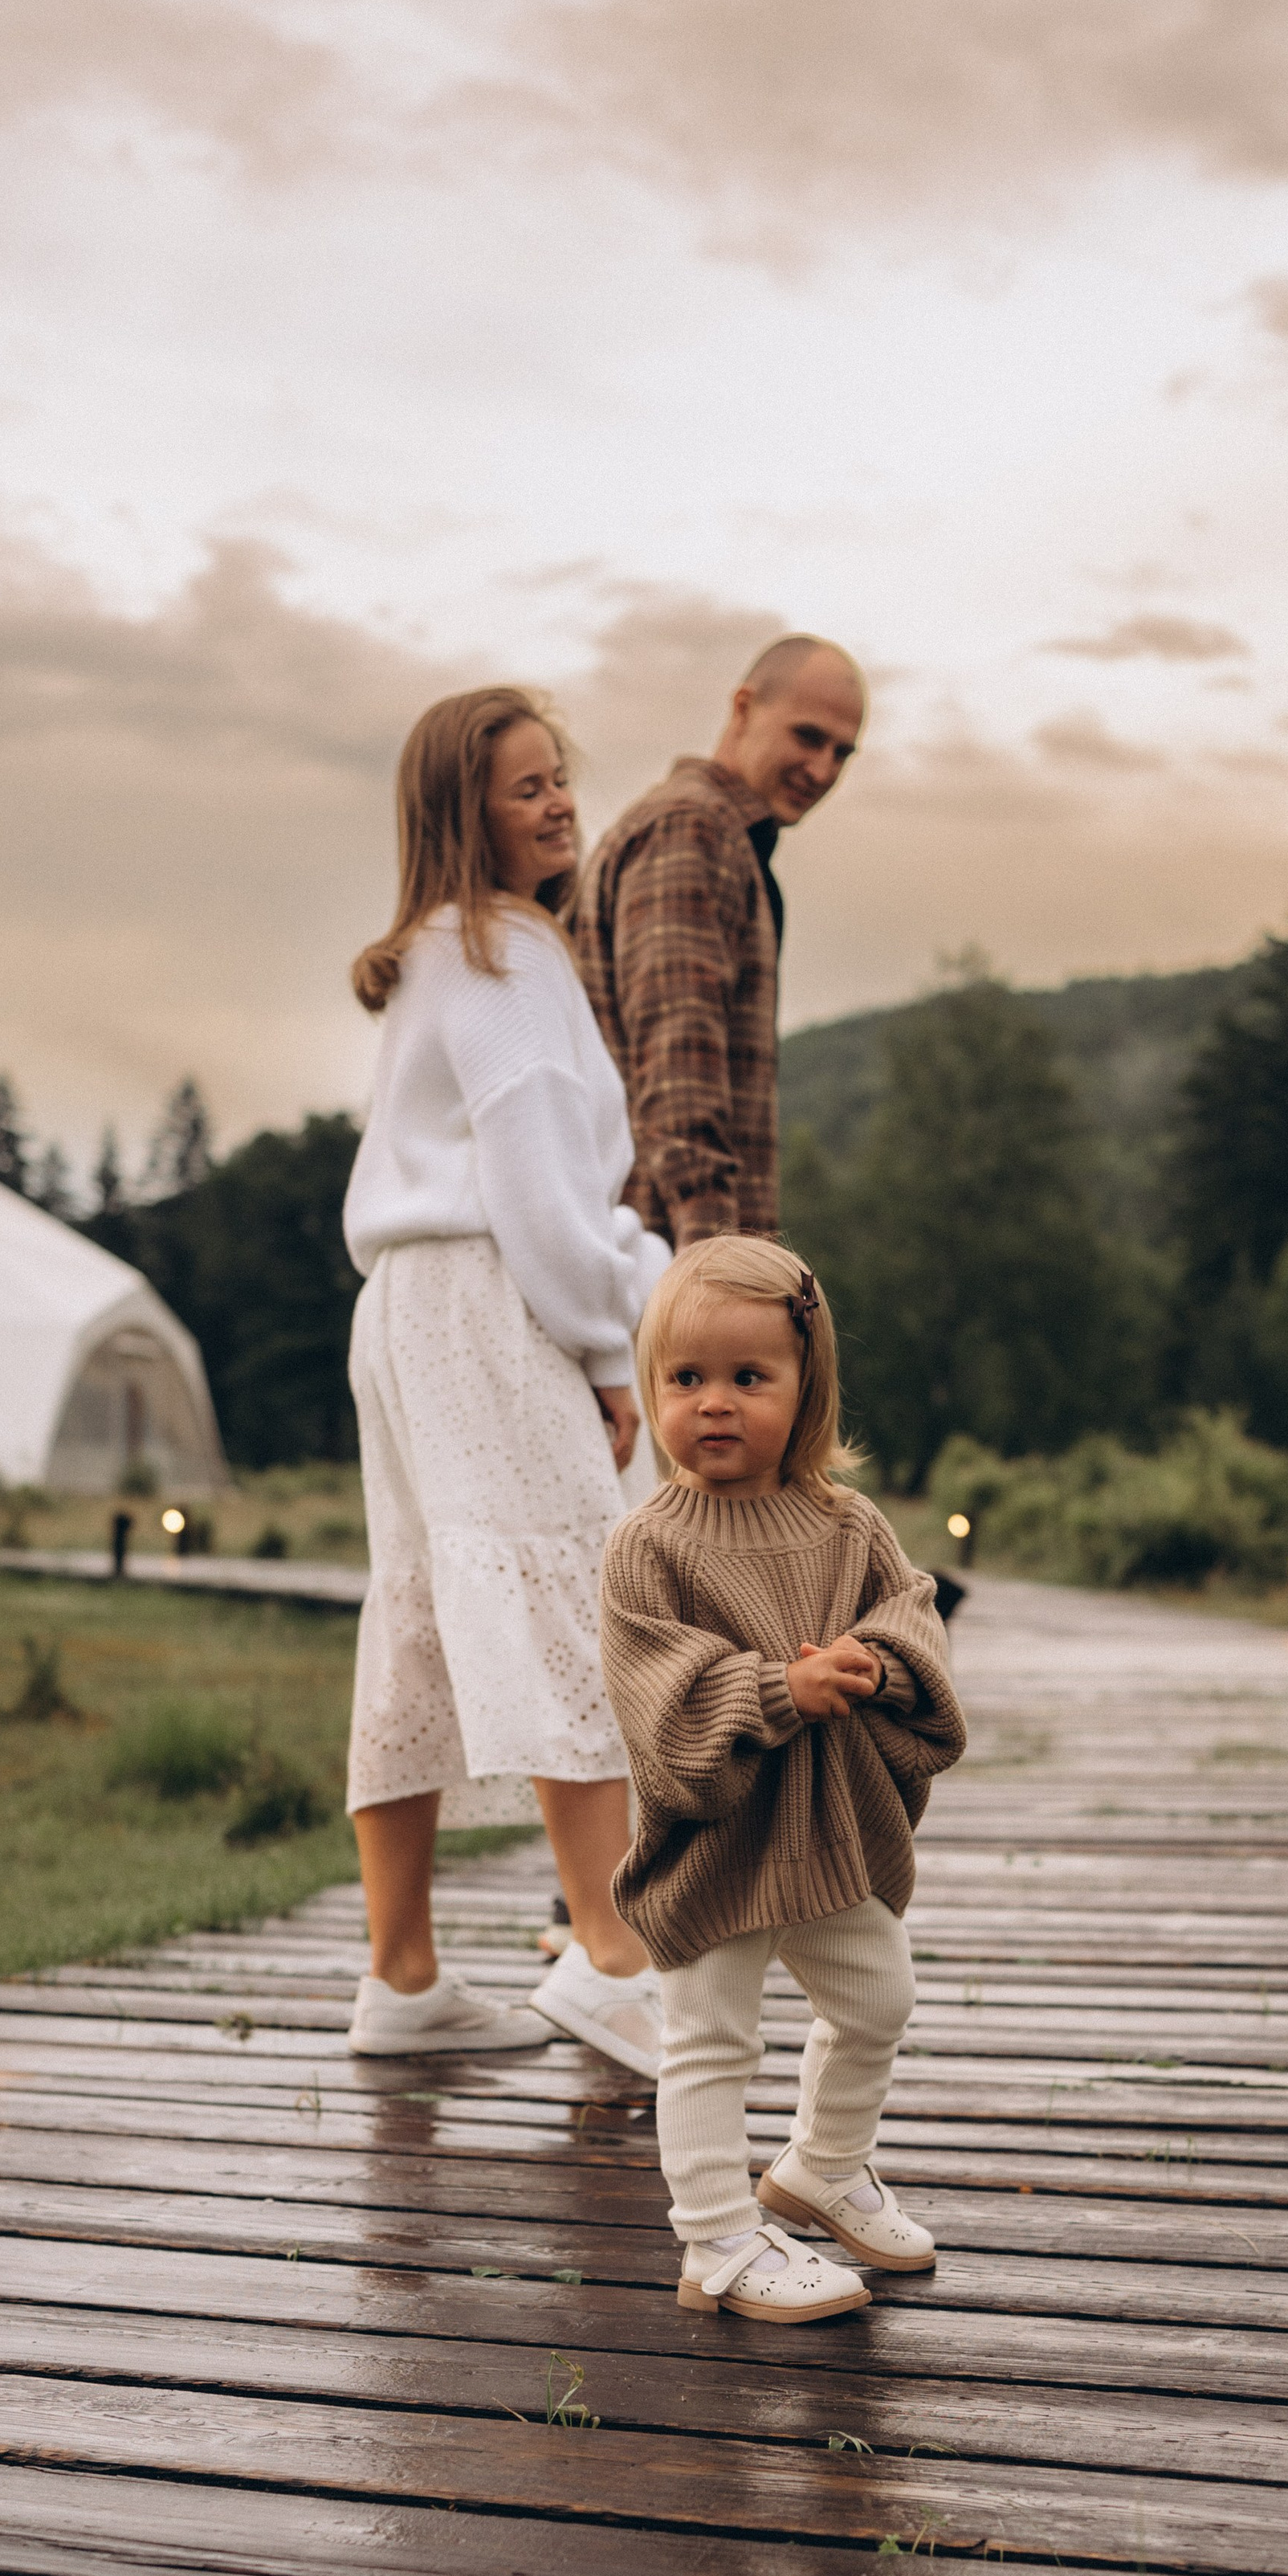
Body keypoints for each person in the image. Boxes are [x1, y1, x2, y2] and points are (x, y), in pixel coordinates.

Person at [342, 685, 670, 2072]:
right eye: (524, 786)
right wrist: (612, 1345)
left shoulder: (431, 953)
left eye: (558, 778)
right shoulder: (508, 952)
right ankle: (611, 1955)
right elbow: (541, 1188)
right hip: (493, 1299)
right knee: (569, 1595)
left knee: (421, 1612)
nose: (557, 802)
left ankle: (405, 1980)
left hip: (406, 1309)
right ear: (458, 812)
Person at [599, 1236, 966, 2321]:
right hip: (719, 1846)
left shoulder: (847, 1525)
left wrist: (881, 1664)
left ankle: (823, 2167)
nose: (716, 1403)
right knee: (710, 2037)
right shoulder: (648, 1548)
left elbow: (912, 1617)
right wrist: (774, 1692)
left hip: (829, 1834)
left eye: (749, 1378)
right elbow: (658, 1695)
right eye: (686, 1378)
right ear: (654, 1386)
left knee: (878, 1996)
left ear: (806, 1391)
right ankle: (716, 2237)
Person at [574, 635, 866, 1249]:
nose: (823, 770)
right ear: (742, 709)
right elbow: (681, 1081)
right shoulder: (693, 829)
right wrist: (718, 1274)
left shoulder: (717, 836)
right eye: (808, 737)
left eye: (843, 753)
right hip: (662, 1266)